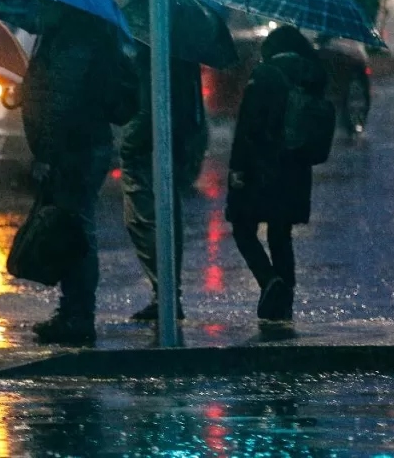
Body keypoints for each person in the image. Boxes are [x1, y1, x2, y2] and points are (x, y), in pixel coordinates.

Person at [25, 10, 139, 346]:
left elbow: (60, 100)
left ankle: (78, 316)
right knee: (74, 228)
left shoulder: (71, 43)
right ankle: (73, 311)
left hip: (73, 150)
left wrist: (45, 153)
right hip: (87, 144)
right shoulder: (90, 36)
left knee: (75, 231)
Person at [227, 26, 327, 321]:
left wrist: (238, 168)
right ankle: (285, 300)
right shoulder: (312, 76)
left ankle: (271, 281)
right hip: (296, 170)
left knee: (242, 227)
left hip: (262, 169)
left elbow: (247, 127)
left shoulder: (265, 76)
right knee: (280, 233)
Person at [120, 48, 206, 321]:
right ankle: (167, 293)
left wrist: (128, 145)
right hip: (176, 141)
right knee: (167, 216)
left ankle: (165, 294)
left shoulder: (151, 51)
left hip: (150, 146)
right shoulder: (182, 52)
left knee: (144, 219)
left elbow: (148, 107)